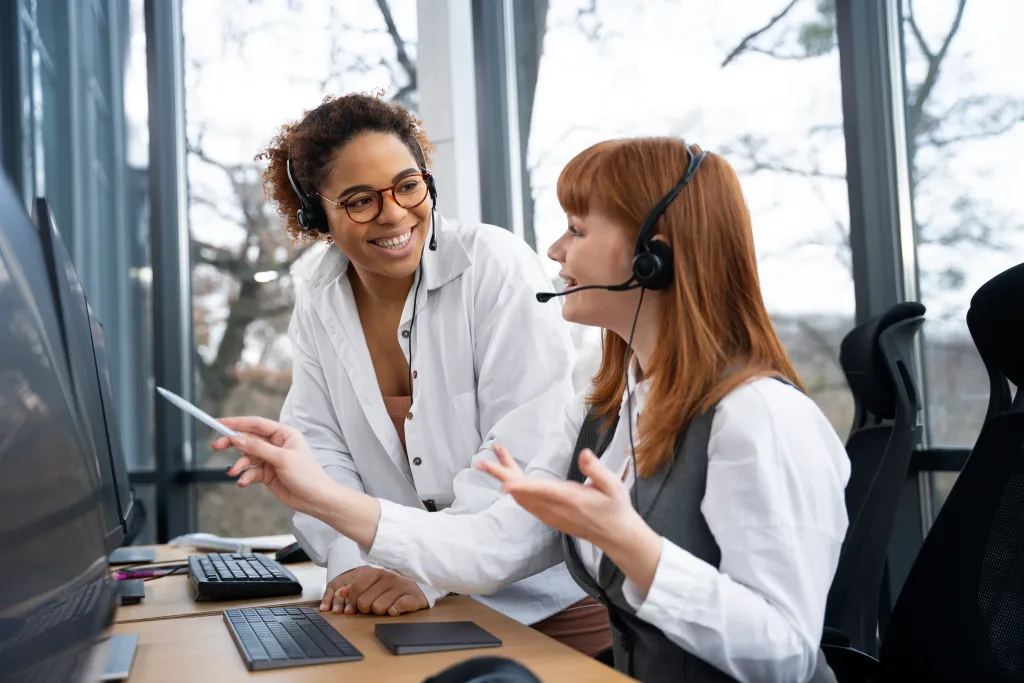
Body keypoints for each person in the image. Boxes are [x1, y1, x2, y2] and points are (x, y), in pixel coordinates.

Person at [218, 137, 851, 683]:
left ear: (650, 256)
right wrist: (318, 495)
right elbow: (492, 545)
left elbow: (788, 658)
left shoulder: (758, 418)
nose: (553, 249)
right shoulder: (607, 408)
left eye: (577, 230)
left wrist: (639, 552)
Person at [255, 92, 611, 655]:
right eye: (359, 200)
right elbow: (320, 447)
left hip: (536, 610)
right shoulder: (319, 296)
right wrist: (351, 564)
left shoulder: (494, 264)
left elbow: (519, 453)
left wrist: (423, 570)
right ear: (314, 215)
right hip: (396, 607)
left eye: (407, 185)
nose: (394, 213)